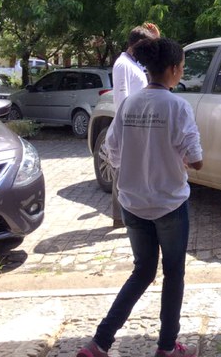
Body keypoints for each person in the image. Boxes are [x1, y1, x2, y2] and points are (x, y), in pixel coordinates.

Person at [78, 38, 203, 357]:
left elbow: (112, 152)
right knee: (173, 273)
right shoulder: (178, 106)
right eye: (182, 68)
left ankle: (100, 343)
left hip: (132, 203)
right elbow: (195, 158)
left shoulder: (130, 104)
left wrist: (139, 161)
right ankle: (166, 347)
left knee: (143, 271)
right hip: (169, 205)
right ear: (174, 70)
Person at [110, 23, 161, 226]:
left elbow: (157, 58)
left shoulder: (133, 63)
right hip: (130, 127)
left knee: (130, 171)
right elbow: (121, 99)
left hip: (137, 126)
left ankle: (126, 216)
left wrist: (157, 39)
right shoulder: (123, 65)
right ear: (137, 44)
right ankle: (119, 217)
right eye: (147, 44)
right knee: (123, 172)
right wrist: (129, 129)